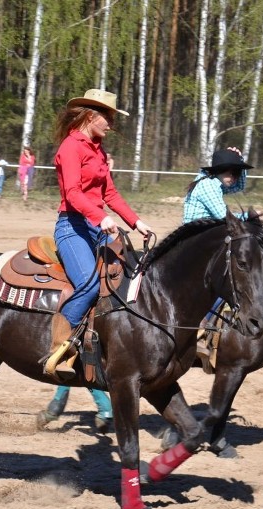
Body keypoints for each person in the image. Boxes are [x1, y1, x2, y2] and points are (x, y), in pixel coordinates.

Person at [45, 88, 151, 376]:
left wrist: (135, 221)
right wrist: (100, 217)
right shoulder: (70, 148)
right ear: (91, 117)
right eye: (109, 118)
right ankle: (60, 348)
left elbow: (111, 193)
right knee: (89, 285)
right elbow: (73, 193)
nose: (111, 124)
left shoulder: (98, 151)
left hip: (97, 225)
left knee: (130, 277)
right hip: (73, 226)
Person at [183, 147, 253, 223]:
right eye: (233, 173)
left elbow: (239, 186)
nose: (236, 178)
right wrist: (249, 215)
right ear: (220, 170)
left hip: (205, 229)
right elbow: (224, 217)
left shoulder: (215, 182)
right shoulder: (208, 185)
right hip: (195, 231)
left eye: (238, 174)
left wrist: (240, 160)